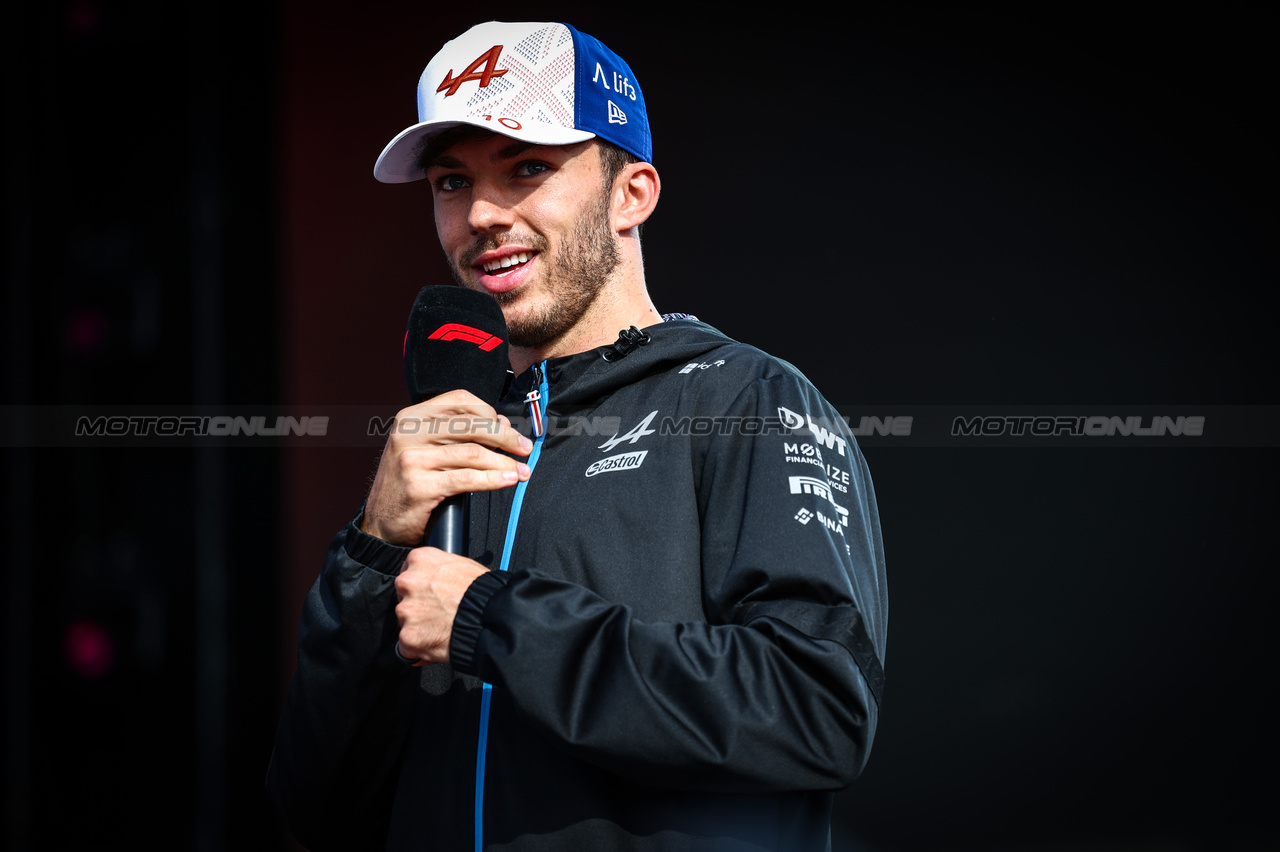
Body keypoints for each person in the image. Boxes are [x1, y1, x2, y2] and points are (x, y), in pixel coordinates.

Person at [267, 20, 888, 852]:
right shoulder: (449, 439)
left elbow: (813, 712)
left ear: (630, 192)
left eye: (527, 169)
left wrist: (494, 620)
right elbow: (316, 811)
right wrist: (371, 556)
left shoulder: (748, 399)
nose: (482, 214)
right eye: (452, 181)